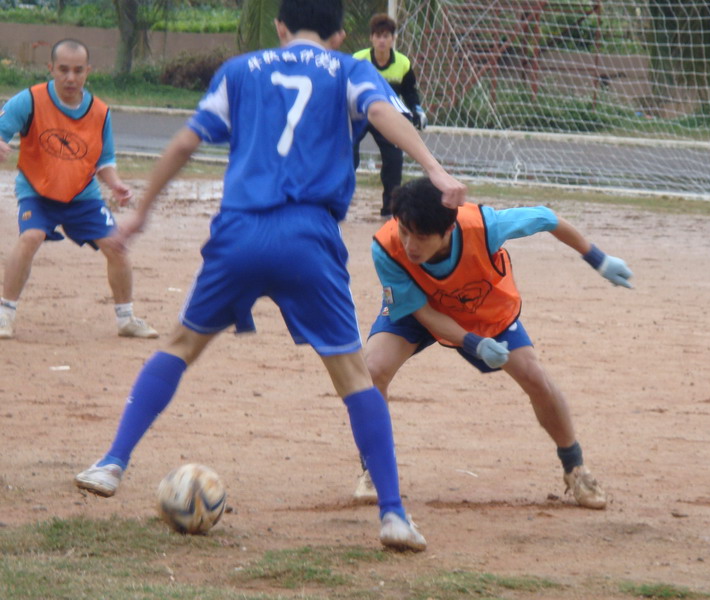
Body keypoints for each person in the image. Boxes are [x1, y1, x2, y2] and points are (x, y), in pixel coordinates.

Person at [74, 0, 466, 552]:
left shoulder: (240, 70)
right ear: (340, 35)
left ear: (280, 26)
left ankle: (112, 463)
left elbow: (186, 141)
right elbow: (382, 114)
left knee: (181, 345)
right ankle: (394, 515)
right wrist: (435, 168)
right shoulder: (348, 69)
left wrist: (140, 214)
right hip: (308, 237)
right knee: (354, 376)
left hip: (239, 231)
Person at [351, 177, 634, 510]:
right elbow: (424, 313)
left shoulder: (483, 227)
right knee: (372, 370)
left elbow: (547, 218)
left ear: (448, 230)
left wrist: (598, 259)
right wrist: (474, 344)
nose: (410, 245)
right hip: (419, 307)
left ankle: (576, 468)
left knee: (534, 376)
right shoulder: (386, 246)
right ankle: (376, 468)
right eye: (404, 231)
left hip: (482, 308)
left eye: (422, 237)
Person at [0, 39, 158, 340]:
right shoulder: (29, 100)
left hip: (82, 196)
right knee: (31, 237)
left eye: (77, 70)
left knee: (116, 246)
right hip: (37, 191)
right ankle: (4, 314)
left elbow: (104, 160)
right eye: (63, 70)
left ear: (88, 71)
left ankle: (126, 319)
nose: (70, 78)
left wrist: (116, 183)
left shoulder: (100, 112)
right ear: (50, 69)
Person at [353, 13, 427, 219]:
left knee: (394, 160)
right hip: (359, 115)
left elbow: (409, 92)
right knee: (346, 156)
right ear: (371, 38)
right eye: (378, 36)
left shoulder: (402, 63)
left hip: (387, 118)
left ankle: (390, 210)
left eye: (386, 36)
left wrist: (417, 109)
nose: (382, 41)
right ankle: (339, 201)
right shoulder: (358, 60)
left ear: (393, 38)